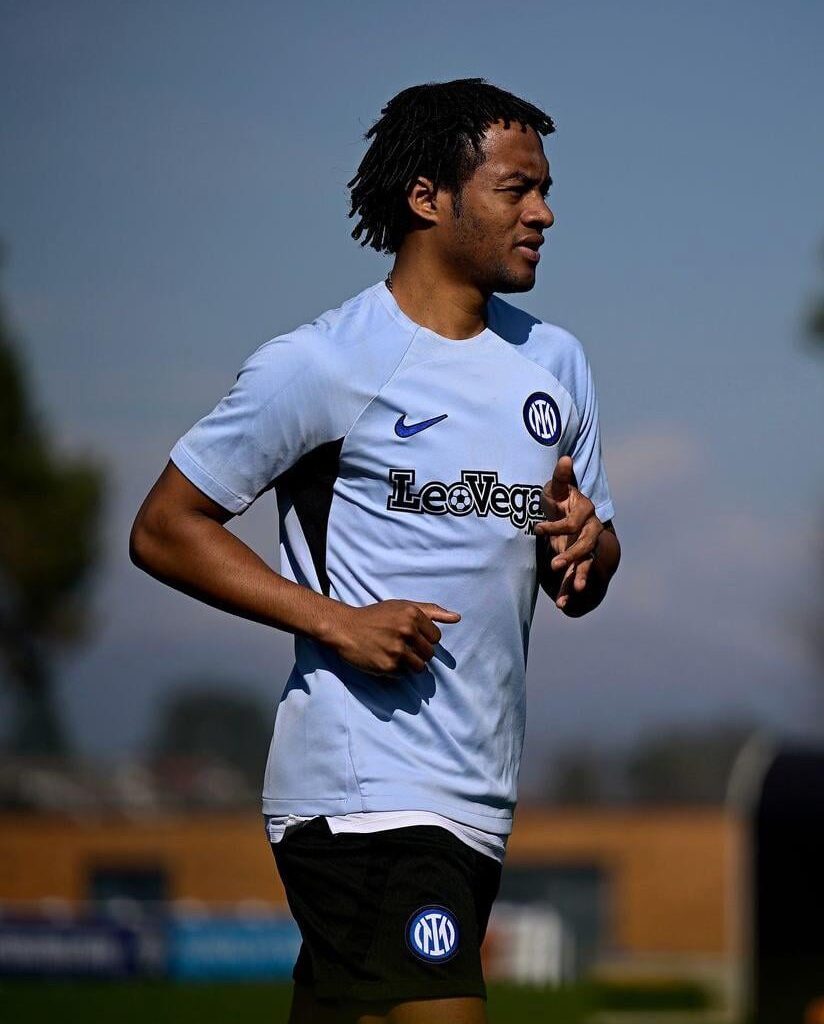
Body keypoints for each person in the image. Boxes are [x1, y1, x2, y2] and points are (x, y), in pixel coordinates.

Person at [130, 77, 620, 1024]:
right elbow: (164, 528)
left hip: (479, 794)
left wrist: (590, 547)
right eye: (516, 190)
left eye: (546, 188)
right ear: (428, 197)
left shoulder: (556, 363)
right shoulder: (323, 364)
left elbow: (585, 582)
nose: (545, 213)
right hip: (365, 793)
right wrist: (336, 623)